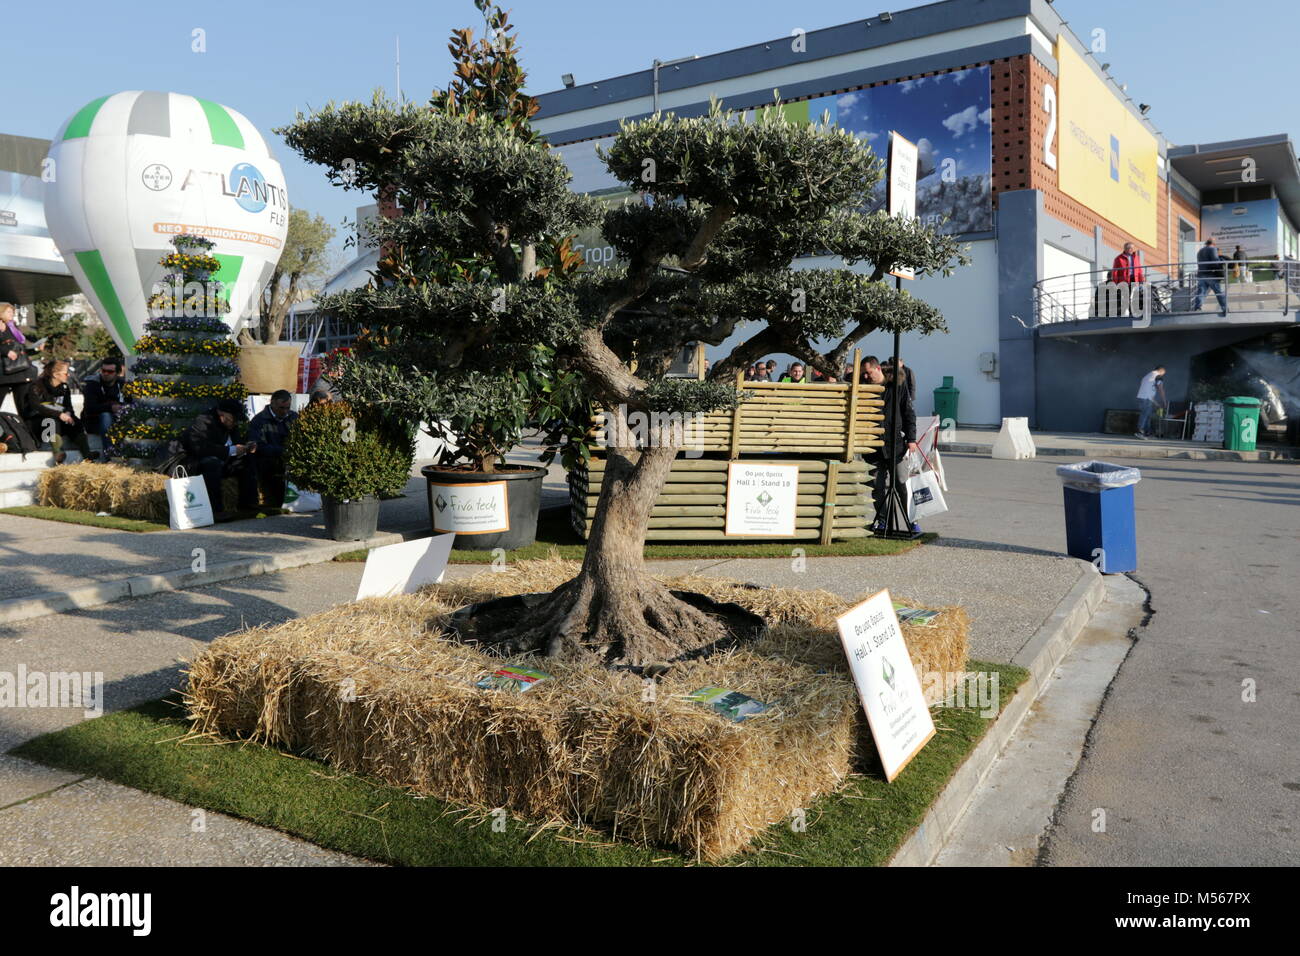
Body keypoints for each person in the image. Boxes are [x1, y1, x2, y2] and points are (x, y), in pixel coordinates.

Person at [862, 358, 919, 533]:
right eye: (864, 373)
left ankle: (912, 521)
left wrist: (911, 439)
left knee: (901, 484)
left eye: (869, 372)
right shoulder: (864, 388)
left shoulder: (897, 386)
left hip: (896, 446)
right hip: (873, 447)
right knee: (876, 487)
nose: (866, 376)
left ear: (878, 368)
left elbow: (908, 412)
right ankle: (882, 520)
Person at [181, 398, 259, 518]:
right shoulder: (202, 421)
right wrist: (231, 450)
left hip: (221, 461)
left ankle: (248, 505)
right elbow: (200, 448)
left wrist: (245, 447)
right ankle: (215, 510)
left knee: (247, 461)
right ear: (222, 415)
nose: (236, 422)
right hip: (196, 462)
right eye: (234, 419)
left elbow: (236, 443)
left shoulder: (230, 424)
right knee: (212, 463)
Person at [23, 359, 92, 462]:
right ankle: (58, 452)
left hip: (59, 420)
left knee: (75, 421)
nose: (68, 375)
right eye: (65, 373)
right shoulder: (37, 386)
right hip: (39, 422)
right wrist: (59, 414)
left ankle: (87, 455)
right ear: (55, 374)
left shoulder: (64, 388)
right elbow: (36, 407)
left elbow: (69, 406)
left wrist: (68, 413)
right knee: (52, 420)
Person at [247, 389, 298, 508]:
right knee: (268, 463)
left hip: (288, 454)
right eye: (282, 408)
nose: (285, 411)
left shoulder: (293, 417)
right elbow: (259, 445)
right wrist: (283, 451)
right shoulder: (259, 421)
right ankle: (274, 500)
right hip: (270, 458)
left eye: (288, 407)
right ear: (272, 403)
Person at [81, 357, 129, 447]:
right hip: (94, 421)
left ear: (117, 373)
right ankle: (109, 454)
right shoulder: (92, 384)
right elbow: (90, 408)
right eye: (103, 371)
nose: (106, 374)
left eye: (110, 372)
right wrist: (110, 407)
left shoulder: (122, 385)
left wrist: (121, 407)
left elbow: (130, 402)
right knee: (106, 416)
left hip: (117, 418)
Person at [0, 302, 36, 417]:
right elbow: (7, 349)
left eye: (13, 312)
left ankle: (28, 433)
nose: (12, 314)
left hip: (21, 372)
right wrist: (6, 351)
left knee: (25, 409)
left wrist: (36, 349)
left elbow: (20, 348)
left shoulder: (12, 327)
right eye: (9, 312)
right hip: (3, 374)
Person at [1192, 239, 1228, 316]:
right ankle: (1225, 308)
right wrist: (1221, 260)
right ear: (1213, 243)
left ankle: (1197, 308)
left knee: (1201, 292)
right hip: (1210, 274)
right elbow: (1215, 261)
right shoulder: (1213, 249)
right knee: (1218, 292)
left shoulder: (1200, 251)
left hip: (1201, 274)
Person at [1134, 364, 1167, 439]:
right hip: (1146, 398)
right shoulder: (1158, 376)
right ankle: (1140, 432)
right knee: (1145, 415)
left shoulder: (1147, 376)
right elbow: (1161, 389)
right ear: (1161, 370)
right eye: (1164, 373)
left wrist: (1156, 403)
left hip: (1142, 397)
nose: (1163, 374)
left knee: (1147, 415)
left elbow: (1148, 390)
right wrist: (1164, 401)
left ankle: (1148, 433)